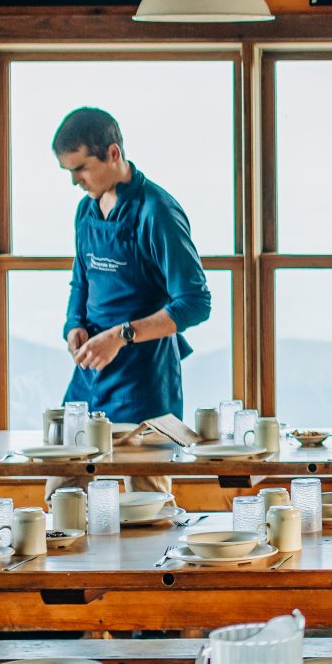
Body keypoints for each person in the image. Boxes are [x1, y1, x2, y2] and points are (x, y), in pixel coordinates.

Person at [55, 107, 211, 428]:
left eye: (81, 169)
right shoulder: (86, 211)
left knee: (143, 479)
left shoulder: (157, 212)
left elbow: (196, 304)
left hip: (145, 383)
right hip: (89, 377)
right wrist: (73, 325)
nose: (74, 181)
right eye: (68, 171)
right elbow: (81, 282)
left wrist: (120, 336)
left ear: (113, 153)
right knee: (61, 478)